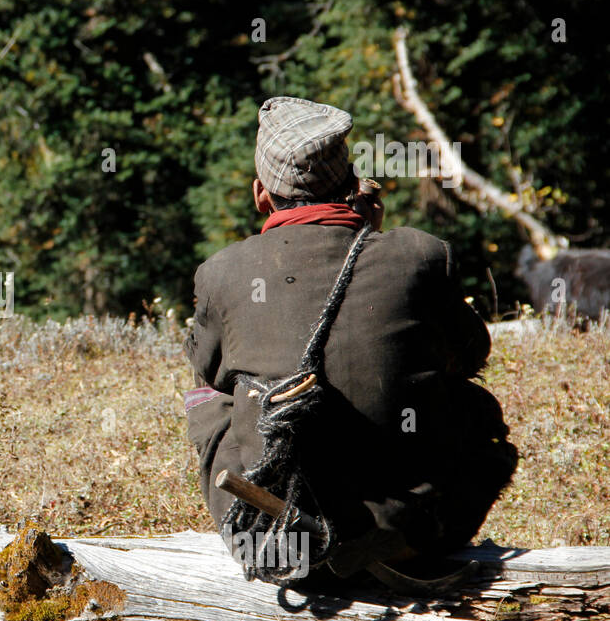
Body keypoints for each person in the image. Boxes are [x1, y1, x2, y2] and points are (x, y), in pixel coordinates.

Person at [183, 96, 517, 585]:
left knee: (209, 394)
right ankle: (386, 541)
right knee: (472, 400)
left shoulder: (222, 273)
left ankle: (269, 517)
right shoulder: (422, 256)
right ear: (354, 185)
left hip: (272, 529)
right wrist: (371, 241)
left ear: (261, 195)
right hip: (410, 531)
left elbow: (208, 368)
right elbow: (471, 355)